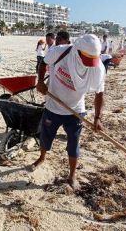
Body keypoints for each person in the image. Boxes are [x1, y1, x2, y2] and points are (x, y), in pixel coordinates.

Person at [32, 34, 105, 189]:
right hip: (53, 106)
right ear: (76, 50)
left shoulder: (97, 67)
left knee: (73, 143)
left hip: (76, 110)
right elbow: (42, 64)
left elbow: (99, 93)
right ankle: (42, 157)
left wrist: (97, 118)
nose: (89, 64)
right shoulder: (60, 52)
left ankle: (72, 175)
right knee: (45, 137)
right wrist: (40, 82)